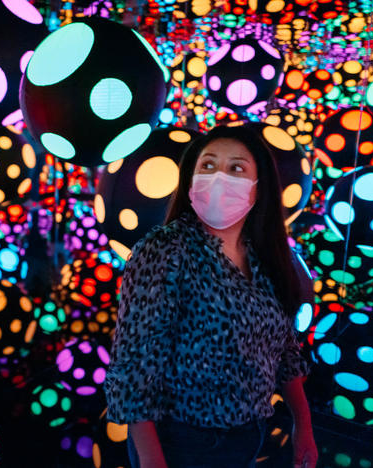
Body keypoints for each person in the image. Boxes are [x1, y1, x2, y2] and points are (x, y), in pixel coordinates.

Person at [104, 125, 318, 468]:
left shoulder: (267, 256)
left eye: (236, 168)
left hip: (249, 436)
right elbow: (132, 366)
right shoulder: (165, 249)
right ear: (190, 180)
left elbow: (285, 351)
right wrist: (150, 458)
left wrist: (303, 425)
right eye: (208, 165)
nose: (219, 177)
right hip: (180, 441)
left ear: (258, 187)